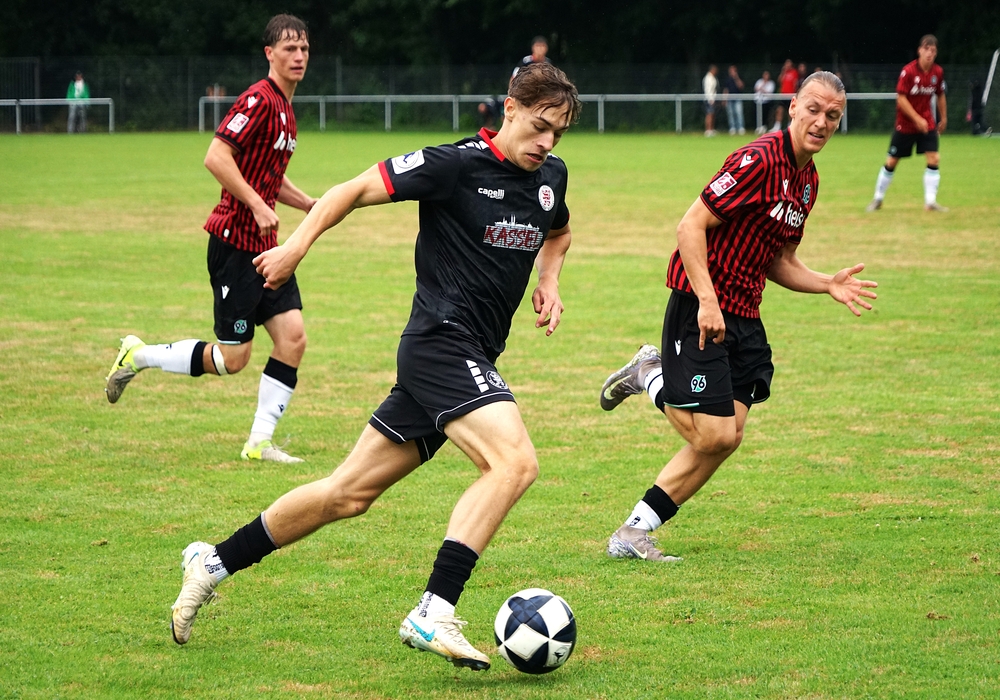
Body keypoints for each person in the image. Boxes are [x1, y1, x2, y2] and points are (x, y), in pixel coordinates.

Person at [167, 61, 582, 672]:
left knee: (346, 494)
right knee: (514, 463)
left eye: (558, 134)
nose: (546, 142)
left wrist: (549, 280)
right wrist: (293, 248)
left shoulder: (550, 177)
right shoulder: (454, 165)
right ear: (510, 109)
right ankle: (434, 610)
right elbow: (352, 190)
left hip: (464, 356)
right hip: (441, 344)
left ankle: (213, 563)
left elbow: (559, 232)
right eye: (540, 126)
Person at [599, 72, 877, 563]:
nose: (821, 122)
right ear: (793, 107)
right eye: (813, 109)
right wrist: (707, 300)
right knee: (714, 433)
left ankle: (634, 531)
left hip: (745, 314)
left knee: (728, 438)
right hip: (702, 306)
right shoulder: (759, 160)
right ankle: (649, 373)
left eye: (832, 115)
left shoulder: (808, 182)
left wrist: (826, 283)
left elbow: (779, 261)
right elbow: (690, 226)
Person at [104, 15, 318, 464]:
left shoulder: (286, 108)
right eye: (289, 49)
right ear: (269, 54)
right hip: (234, 243)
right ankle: (139, 355)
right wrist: (257, 205)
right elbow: (217, 156)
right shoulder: (259, 100)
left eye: (303, 48)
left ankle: (258, 443)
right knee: (233, 359)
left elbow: (266, 174)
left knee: (293, 338)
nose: (298, 56)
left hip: (266, 248)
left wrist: (307, 203)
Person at [867, 35, 949, 212]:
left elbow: (940, 95)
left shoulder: (937, 72)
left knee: (934, 158)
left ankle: (930, 202)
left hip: (927, 124)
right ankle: (878, 199)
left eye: (933, 50)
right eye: (926, 49)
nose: (929, 53)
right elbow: (901, 99)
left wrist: (943, 118)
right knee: (892, 161)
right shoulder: (909, 71)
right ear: (919, 50)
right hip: (905, 125)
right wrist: (916, 119)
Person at [772, 60, 799, 131]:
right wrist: (783, 72)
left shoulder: (794, 72)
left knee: (790, 111)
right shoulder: (784, 72)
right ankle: (777, 126)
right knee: (779, 110)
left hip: (790, 95)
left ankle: (790, 126)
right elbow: (779, 80)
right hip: (783, 95)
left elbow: (795, 83)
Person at [723, 65, 746, 135]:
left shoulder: (738, 78)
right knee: (731, 114)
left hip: (737, 98)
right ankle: (732, 128)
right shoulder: (727, 79)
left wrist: (736, 78)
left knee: (739, 113)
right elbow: (726, 90)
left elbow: (741, 86)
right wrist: (724, 99)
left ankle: (740, 127)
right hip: (730, 99)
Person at [703, 64, 719, 136]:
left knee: (712, 114)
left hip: (713, 98)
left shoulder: (713, 77)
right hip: (709, 99)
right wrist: (710, 99)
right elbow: (708, 90)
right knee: (709, 114)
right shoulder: (708, 78)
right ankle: (708, 130)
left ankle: (711, 129)